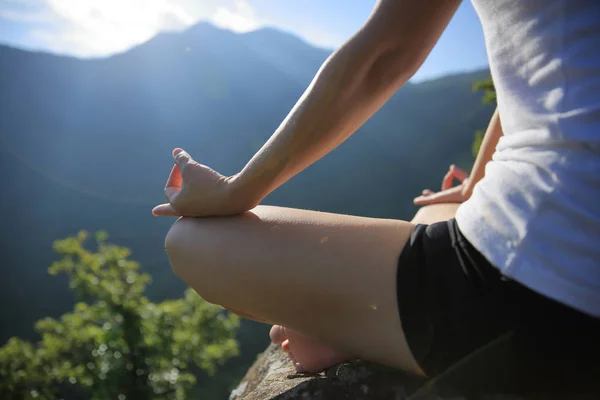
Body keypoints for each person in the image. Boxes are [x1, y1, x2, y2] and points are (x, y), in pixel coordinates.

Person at [153, 0, 600, 394]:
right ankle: (369, 316)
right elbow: (541, 74)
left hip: (547, 296)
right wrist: (475, 183)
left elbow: (389, 50)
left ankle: (355, 327)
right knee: (438, 207)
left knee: (190, 240)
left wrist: (238, 189)